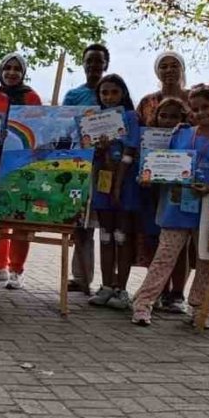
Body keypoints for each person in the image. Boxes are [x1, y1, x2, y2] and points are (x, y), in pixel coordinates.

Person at [131, 85, 209, 325]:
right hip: (176, 207)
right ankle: (143, 304)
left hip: (206, 210)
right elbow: (162, 163)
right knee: (164, 257)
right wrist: (149, 175)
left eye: (205, 107)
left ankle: (200, 309)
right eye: (195, 109)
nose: (200, 113)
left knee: (206, 261)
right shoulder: (180, 134)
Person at [0, 53, 42, 288]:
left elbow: (39, 129)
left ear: (23, 73)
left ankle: (17, 269)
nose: (12, 73)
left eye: (17, 69)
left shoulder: (31, 97)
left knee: (20, 220)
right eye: (7, 68)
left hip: (22, 166)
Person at [87, 74, 141, 311]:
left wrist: (118, 184)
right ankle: (106, 285)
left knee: (122, 236)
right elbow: (89, 151)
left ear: (123, 94)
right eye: (104, 93)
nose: (109, 97)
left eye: (114, 92)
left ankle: (122, 288)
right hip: (102, 181)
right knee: (106, 235)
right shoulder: (93, 119)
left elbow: (130, 151)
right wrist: (101, 150)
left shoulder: (130, 117)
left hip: (125, 183)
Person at [63, 43, 109, 294]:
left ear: (106, 64)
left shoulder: (112, 93)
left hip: (105, 168)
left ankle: (108, 282)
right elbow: (64, 127)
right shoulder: (73, 96)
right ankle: (81, 277)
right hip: (78, 165)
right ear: (83, 64)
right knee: (81, 225)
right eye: (89, 60)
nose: (94, 65)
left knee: (104, 226)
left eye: (98, 61)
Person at [143, 96, 191, 313]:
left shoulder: (187, 136)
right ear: (156, 117)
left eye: (174, 116)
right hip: (154, 197)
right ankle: (159, 291)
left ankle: (177, 293)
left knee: (180, 249)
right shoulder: (150, 138)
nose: (168, 120)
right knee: (157, 246)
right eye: (163, 115)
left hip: (178, 198)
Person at [135, 52, 187, 125]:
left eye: (174, 66)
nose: (169, 70)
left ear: (182, 70)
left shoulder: (193, 98)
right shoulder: (147, 102)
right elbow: (134, 127)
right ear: (157, 72)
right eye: (164, 67)